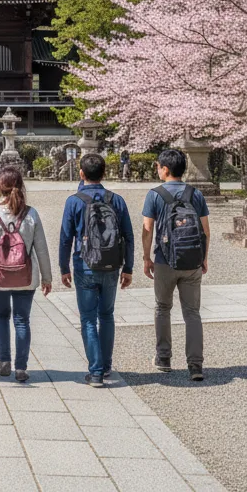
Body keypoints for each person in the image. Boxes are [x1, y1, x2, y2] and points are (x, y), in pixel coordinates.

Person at [59, 153, 134, 386]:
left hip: (84, 264)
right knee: (107, 315)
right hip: (112, 265)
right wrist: (128, 268)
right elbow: (128, 236)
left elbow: (65, 238)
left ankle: (95, 372)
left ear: (81, 174)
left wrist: (64, 267)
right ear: (104, 174)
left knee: (88, 318)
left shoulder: (74, 201)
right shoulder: (117, 200)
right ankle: (107, 365)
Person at [0, 167, 52, 382]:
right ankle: (21, 367)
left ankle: (4, 361)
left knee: (1, 316)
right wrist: (47, 277)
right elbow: (42, 248)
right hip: (26, 277)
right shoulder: (31, 214)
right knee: (22, 320)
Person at [142, 148, 210, 381]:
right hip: (192, 260)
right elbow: (205, 231)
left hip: (164, 260)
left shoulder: (155, 194)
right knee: (192, 312)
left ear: (165, 169)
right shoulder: (195, 194)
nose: (157, 169)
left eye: (158, 166)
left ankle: (163, 358)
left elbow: (147, 230)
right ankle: (195, 365)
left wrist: (146, 258)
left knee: (163, 307)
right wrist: (204, 258)